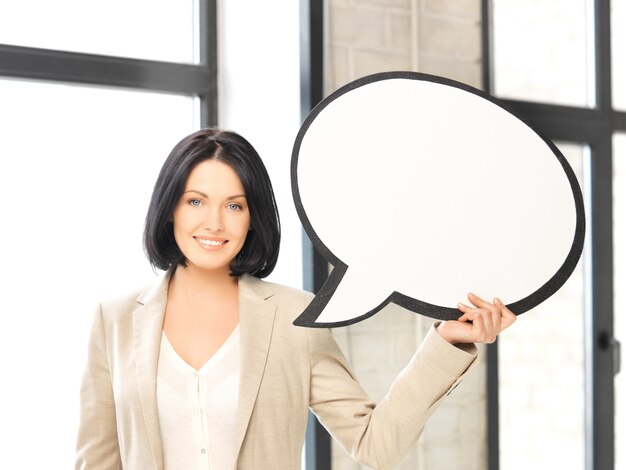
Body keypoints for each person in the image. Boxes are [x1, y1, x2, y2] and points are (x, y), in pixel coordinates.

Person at [75, 128, 516, 470]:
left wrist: (446, 342)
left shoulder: (293, 319)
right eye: (195, 201)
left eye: (234, 206)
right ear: (170, 207)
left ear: (252, 219)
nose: (213, 223)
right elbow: (95, 461)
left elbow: (374, 444)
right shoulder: (114, 320)